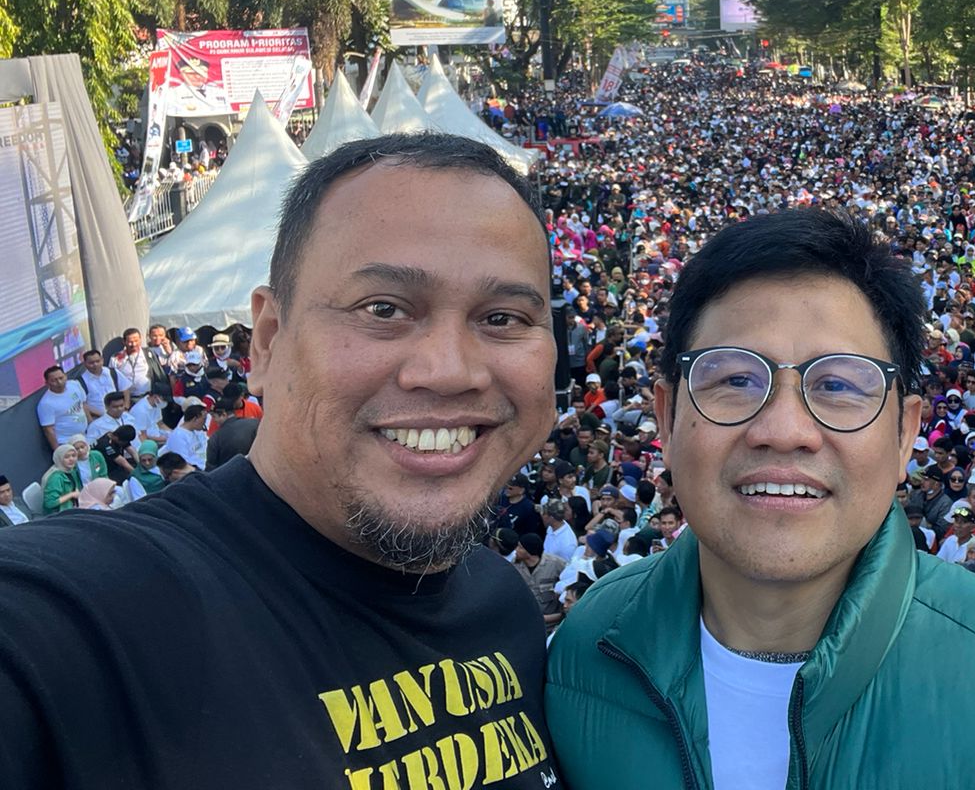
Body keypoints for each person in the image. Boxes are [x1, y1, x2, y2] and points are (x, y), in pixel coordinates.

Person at [0, 134, 566, 787]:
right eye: (382, 308)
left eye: (503, 317)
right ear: (266, 341)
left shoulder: (507, 609)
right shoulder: (87, 621)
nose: (449, 371)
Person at [544, 208, 975, 789]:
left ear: (905, 433)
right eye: (735, 379)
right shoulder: (582, 655)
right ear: (667, 415)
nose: (784, 430)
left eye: (839, 385)